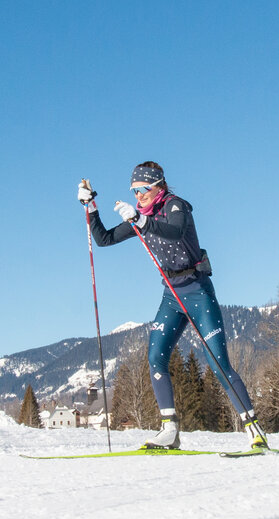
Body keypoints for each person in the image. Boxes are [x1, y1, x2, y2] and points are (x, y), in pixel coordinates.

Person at [77, 162, 267, 450]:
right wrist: (91, 207)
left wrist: (140, 222)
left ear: (159, 186)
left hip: (198, 291)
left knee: (218, 363)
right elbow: (103, 240)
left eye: (144, 189)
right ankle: (170, 429)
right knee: (155, 358)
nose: (139, 195)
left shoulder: (176, 207)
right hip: (171, 295)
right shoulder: (140, 216)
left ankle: (254, 429)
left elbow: (175, 232)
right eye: (135, 191)